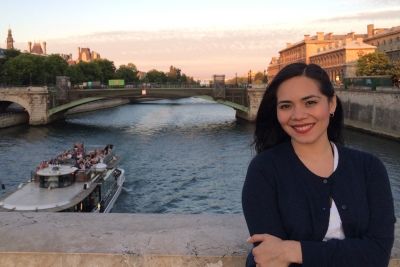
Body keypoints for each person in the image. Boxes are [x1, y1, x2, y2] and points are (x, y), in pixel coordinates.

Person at [242, 63, 395, 267]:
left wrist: (295, 250)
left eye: (310, 102)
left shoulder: (370, 168)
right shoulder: (264, 170)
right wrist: (354, 253)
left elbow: (377, 255)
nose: (298, 115)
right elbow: (270, 258)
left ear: (331, 104)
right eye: (286, 106)